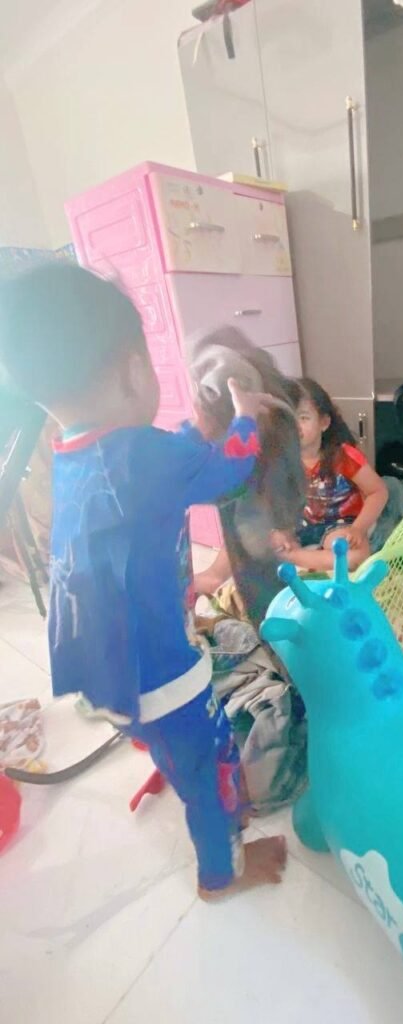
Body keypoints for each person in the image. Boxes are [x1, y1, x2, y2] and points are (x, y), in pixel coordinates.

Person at [0, 263, 287, 901]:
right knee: (212, 766)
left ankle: (163, 750)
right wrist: (243, 415)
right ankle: (221, 874)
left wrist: (194, 432)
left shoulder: (76, 452)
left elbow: (163, 458)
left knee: (170, 742)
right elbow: (229, 470)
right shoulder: (147, 457)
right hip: (161, 672)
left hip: (105, 673)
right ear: (135, 370)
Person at [194, 377, 388, 592]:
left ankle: (293, 556)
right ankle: (214, 575)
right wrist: (281, 529)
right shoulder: (279, 458)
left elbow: (378, 491)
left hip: (337, 524)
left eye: (303, 418)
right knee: (247, 527)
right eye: (288, 419)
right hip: (297, 524)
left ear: (324, 422)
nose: (295, 427)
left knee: (353, 555)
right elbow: (272, 500)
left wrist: (358, 529)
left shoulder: (343, 456)